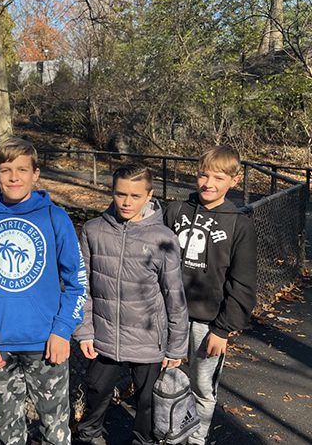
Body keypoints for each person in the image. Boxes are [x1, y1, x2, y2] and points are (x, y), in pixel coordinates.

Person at [0, 137, 87, 445]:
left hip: (47, 344)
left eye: (22, 169)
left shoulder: (55, 217)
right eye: (6, 169)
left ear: (36, 174)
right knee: (8, 433)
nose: (13, 177)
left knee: (55, 429)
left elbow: (77, 282)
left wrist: (63, 330)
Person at [74, 164, 188, 445]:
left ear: (149, 196)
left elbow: (174, 295)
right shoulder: (93, 230)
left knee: (148, 406)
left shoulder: (163, 238)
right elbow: (82, 286)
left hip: (149, 341)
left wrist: (177, 345)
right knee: (96, 393)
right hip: (103, 335)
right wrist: (85, 330)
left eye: (135, 196)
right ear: (112, 192)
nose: (126, 202)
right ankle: (90, 437)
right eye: (120, 194)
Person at [163, 145, 257, 445]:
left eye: (218, 177)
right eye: (203, 175)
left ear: (234, 180)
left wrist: (223, 328)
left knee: (202, 387)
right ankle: (168, 434)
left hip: (208, 324)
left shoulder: (238, 224)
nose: (208, 183)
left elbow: (241, 283)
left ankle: (196, 438)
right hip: (168, 316)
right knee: (166, 382)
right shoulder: (176, 211)